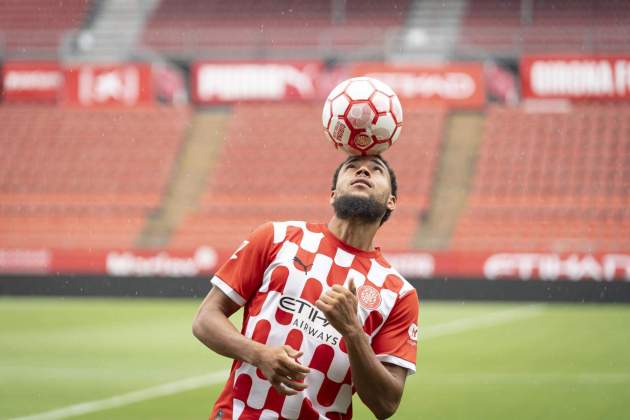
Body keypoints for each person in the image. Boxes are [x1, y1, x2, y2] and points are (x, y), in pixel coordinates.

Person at [193, 154, 420, 419]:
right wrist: (259, 354)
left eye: (376, 170)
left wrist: (352, 331)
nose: (362, 172)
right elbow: (205, 319)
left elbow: (386, 404)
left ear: (391, 201)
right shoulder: (277, 237)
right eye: (352, 167)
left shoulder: (399, 293)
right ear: (333, 194)